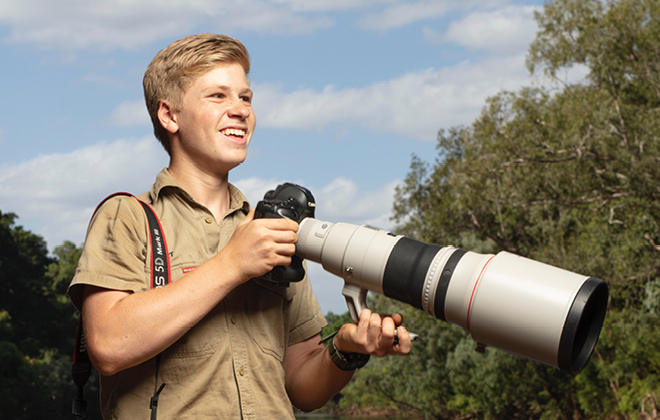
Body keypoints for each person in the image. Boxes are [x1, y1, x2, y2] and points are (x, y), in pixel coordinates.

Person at [68, 33, 411, 419]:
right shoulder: (127, 216)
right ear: (169, 115)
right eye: (218, 96)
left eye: (245, 97)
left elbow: (301, 387)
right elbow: (110, 346)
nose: (240, 110)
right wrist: (233, 264)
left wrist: (346, 349)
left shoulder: (275, 230)